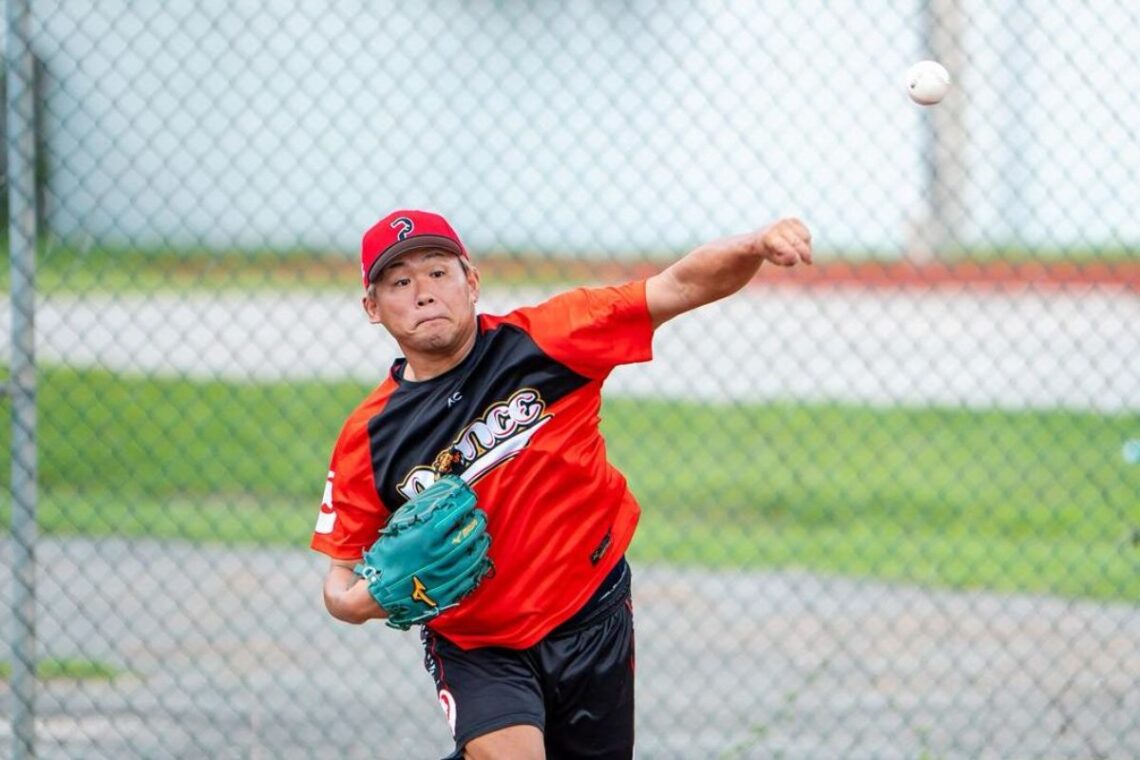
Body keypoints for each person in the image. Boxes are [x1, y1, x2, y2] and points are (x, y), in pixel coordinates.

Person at [311, 208, 812, 759]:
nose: (424, 293)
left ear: (471, 281)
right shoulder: (370, 436)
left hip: (591, 611)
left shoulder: (548, 340)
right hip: (478, 645)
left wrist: (757, 243)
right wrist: (366, 600)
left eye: (438, 272)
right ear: (373, 308)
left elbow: (678, 286)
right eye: (400, 282)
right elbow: (339, 581)